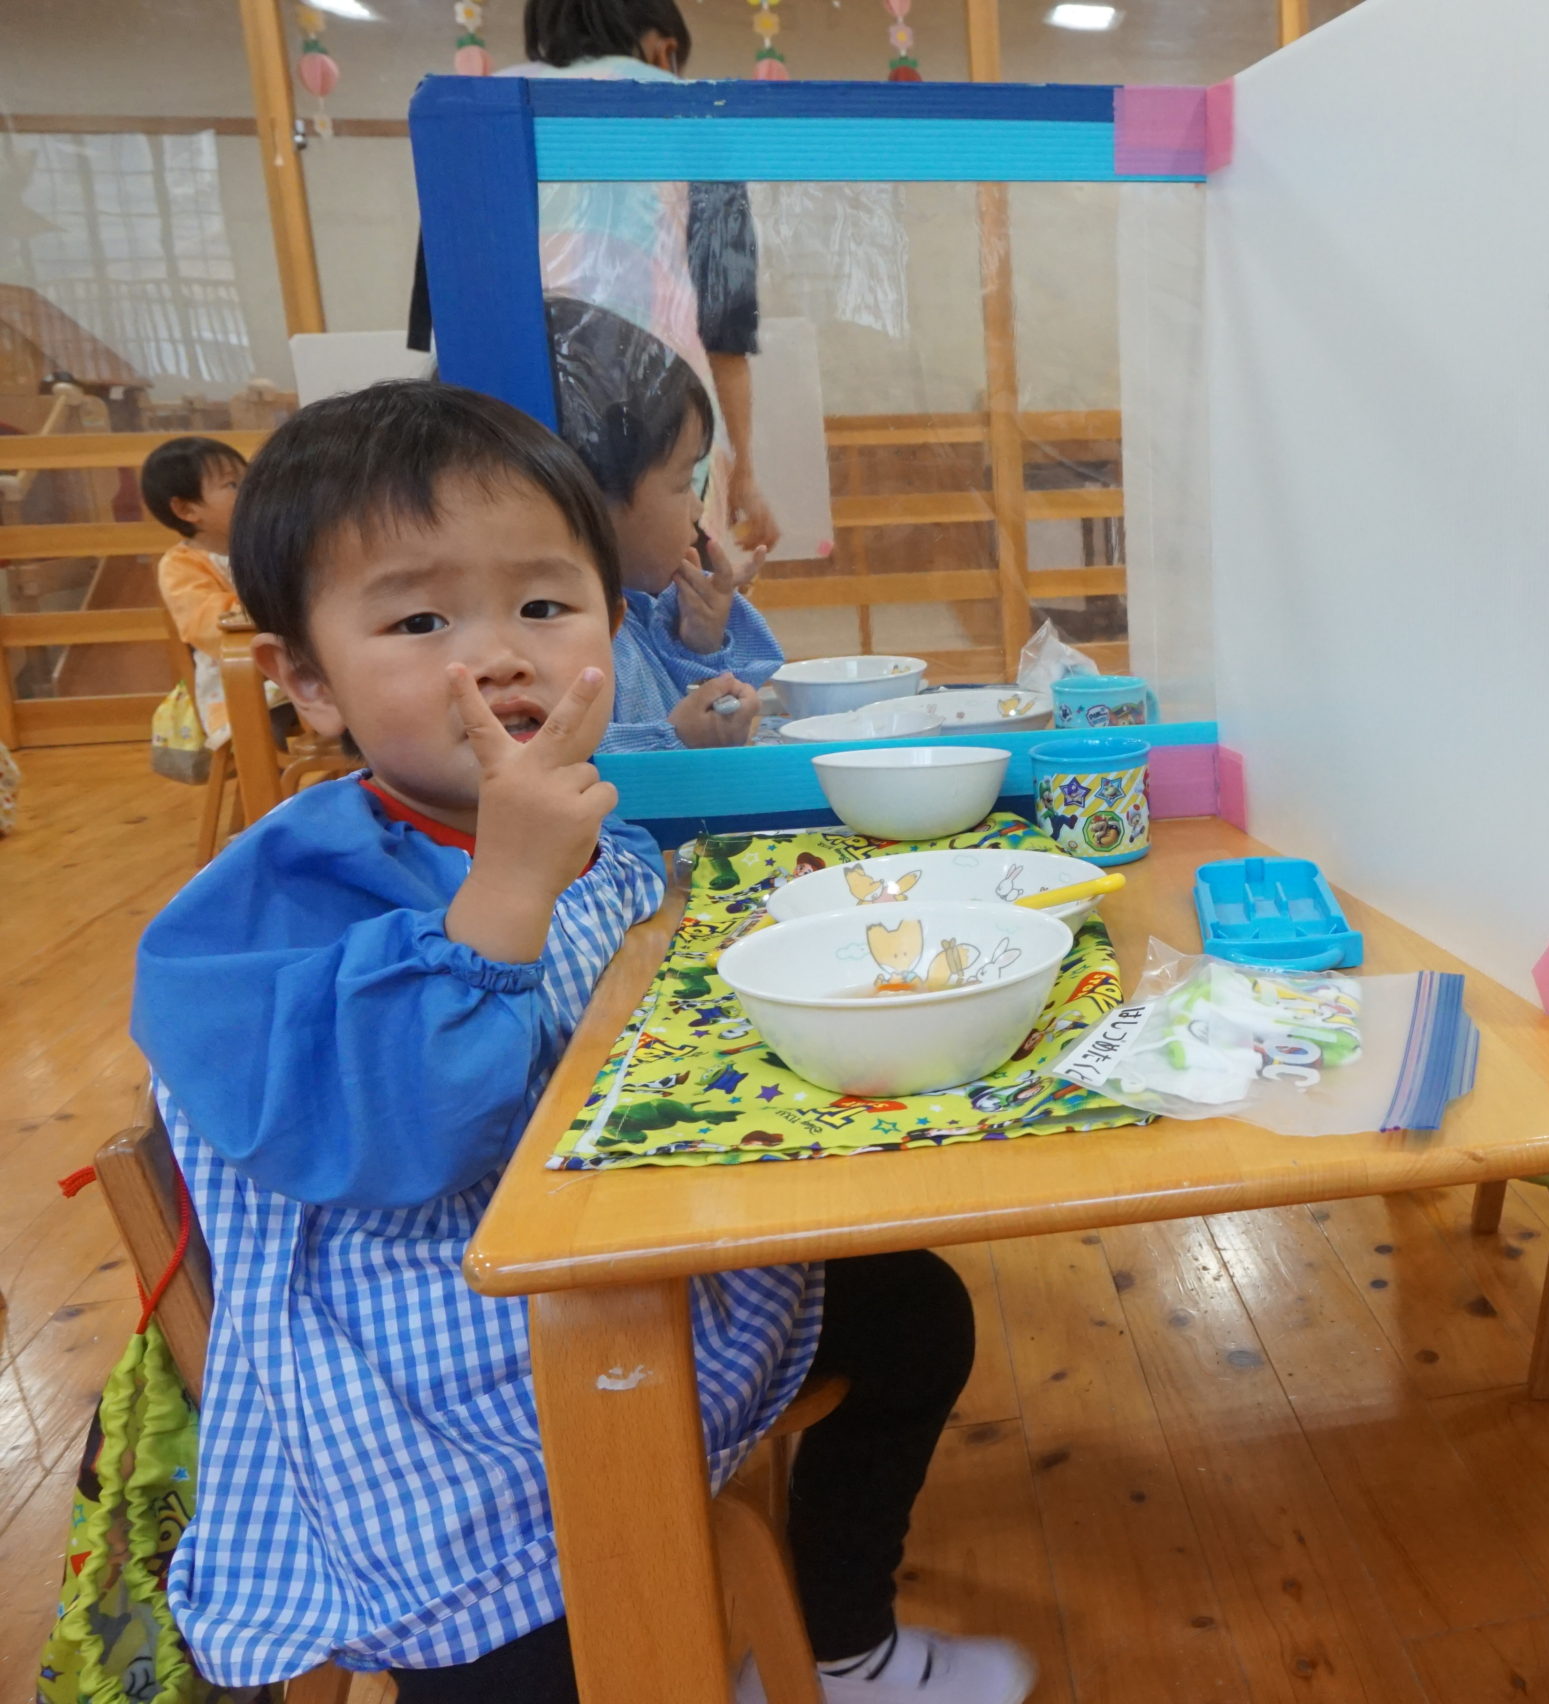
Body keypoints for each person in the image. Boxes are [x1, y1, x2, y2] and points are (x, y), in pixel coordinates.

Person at [132, 380, 1035, 1704]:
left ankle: (840, 1646)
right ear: (306, 681)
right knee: (545, 1651)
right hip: (435, 1400)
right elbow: (406, 1142)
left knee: (915, 1312)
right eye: (421, 620)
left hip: (640, 1280)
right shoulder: (272, 902)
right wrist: (505, 889)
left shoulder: (592, 823)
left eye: (545, 607)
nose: (500, 657)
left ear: (613, 626)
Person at [406, 0, 781, 551]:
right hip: (651, 421)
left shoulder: (471, 113)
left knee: (528, 579)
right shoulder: (691, 114)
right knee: (669, 591)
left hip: (495, 427)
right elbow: (724, 330)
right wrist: (744, 471)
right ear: (664, 49)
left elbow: (443, 308)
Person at [547, 296, 779, 752]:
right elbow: (559, 762)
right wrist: (674, 743)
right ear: (592, 495)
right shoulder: (553, 639)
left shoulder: (633, 611)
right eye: (682, 483)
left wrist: (700, 641)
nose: (696, 510)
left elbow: (685, 707)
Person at [143, 436, 270, 751]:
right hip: (238, 685)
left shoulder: (263, 545)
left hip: (286, 664)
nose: (251, 491)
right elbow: (208, 624)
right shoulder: (180, 565)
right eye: (233, 485)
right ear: (187, 509)